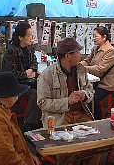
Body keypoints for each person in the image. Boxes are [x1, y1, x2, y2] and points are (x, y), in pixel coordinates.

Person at [37, 37, 100, 165]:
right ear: (68, 55)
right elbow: (42, 102)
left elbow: (90, 91)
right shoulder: (47, 74)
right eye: (78, 52)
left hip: (81, 114)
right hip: (60, 116)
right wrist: (67, 101)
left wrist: (85, 95)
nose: (81, 54)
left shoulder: (81, 70)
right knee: (64, 147)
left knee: (97, 142)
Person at [2, 21, 42, 130]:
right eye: (29, 35)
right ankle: (29, 123)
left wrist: (31, 70)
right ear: (20, 37)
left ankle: (42, 118)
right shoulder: (11, 51)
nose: (31, 38)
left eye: (31, 35)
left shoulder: (29, 48)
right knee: (35, 94)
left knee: (46, 88)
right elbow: (10, 74)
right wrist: (26, 74)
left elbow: (34, 62)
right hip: (15, 84)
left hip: (28, 81)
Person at [80, 26, 114, 120]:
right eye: (93, 36)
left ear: (104, 37)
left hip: (105, 85)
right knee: (82, 94)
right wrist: (78, 65)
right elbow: (87, 60)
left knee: (91, 99)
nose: (93, 38)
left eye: (95, 36)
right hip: (94, 81)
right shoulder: (95, 48)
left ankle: (97, 120)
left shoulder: (110, 51)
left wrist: (83, 68)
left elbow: (100, 69)